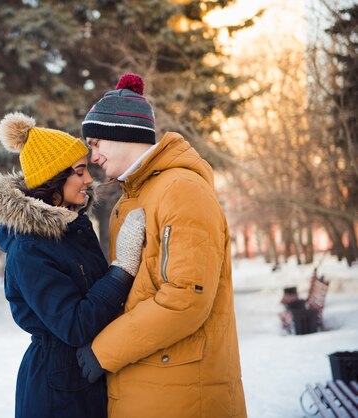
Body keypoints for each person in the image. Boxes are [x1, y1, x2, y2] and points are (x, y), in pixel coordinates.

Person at [76, 73, 247, 418]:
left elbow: (186, 296)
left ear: (122, 133)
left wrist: (104, 351)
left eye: (96, 143)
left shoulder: (181, 190)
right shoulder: (136, 197)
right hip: (148, 389)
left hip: (181, 398)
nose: (93, 157)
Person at [0, 112, 146, 418]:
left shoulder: (73, 231)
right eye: (79, 171)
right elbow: (73, 325)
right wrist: (122, 269)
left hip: (85, 376)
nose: (89, 179)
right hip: (57, 391)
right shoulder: (30, 248)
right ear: (53, 178)